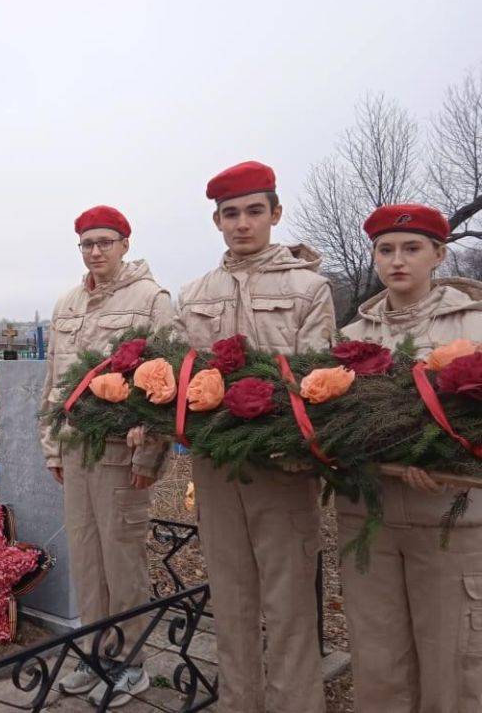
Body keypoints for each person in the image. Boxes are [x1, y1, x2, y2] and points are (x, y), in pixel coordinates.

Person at [173, 161, 335, 712]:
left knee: (289, 603)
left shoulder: (309, 288)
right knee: (231, 597)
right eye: (231, 214)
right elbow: (179, 375)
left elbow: (316, 377)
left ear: (276, 214)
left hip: (281, 465)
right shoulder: (195, 292)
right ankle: (239, 702)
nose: (243, 224)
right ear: (217, 220)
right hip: (217, 466)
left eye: (254, 212)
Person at [338, 204, 482, 711]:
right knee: (378, 662)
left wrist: (451, 464)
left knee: (453, 663)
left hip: (448, 518)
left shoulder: (473, 326)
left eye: (412, 248)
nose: (398, 260)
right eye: (386, 249)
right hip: (367, 518)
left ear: (439, 255)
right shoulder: (351, 340)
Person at [37, 205, 176, 708]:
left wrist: (149, 459)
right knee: (88, 559)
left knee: (122, 560)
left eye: (105, 242)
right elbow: (56, 380)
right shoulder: (68, 303)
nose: (96, 252)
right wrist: (52, 443)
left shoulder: (151, 300)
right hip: (77, 450)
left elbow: (167, 380)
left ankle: (131, 662)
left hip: (122, 453)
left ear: (125, 243)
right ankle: (95, 654)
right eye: (87, 243)